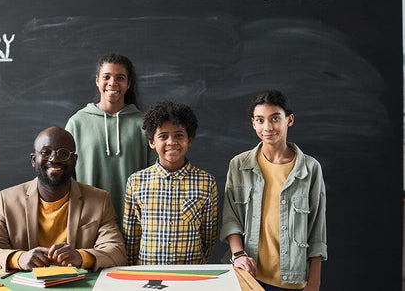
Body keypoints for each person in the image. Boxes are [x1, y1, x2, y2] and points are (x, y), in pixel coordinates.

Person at [0, 126, 126, 271]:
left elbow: (117, 251)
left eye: (63, 153)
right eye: (46, 152)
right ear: (34, 160)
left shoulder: (99, 200)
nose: (54, 159)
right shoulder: (7, 200)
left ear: (74, 160)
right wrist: (20, 259)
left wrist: (82, 257)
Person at [220, 90, 327, 291]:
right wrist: (239, 255)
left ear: (290, 120)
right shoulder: (239, 165)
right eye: (260, 120)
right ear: (253, 123)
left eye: (275, 118)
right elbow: (231, 218)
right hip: (248, 276)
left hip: (293, 280)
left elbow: (317, 231)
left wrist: (314, 282)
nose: (267, 127)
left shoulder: (310, 169)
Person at [123, 101, 218, 265]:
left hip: (190, 273)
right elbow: (131, 236)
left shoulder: (206, 182)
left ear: (189, 139)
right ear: (152, 142)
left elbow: (208, 236)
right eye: (163, 136)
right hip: (147, 274)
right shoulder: (136, 182)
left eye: (179, 135)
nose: (171, 142)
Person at [65, 53, 155, 224]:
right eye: (107, 77)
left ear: (128, 84)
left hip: (135, 222)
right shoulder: (77, 123)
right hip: (88, 221)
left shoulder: (144, 124)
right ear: (97, 80)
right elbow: (68, 177)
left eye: (120, 77)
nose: (112, 83)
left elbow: (154, 175)